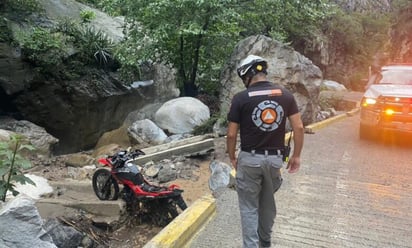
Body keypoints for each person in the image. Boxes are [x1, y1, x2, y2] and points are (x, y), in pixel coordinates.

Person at [226, 54, 304, 248]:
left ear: (247, 75)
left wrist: (233, 157)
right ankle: (265, 242)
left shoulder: (241, 98)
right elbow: (299, 127)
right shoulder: (285, 95)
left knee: (249, 207)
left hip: (249, 160)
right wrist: (296, 156)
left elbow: (230, 135)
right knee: (267, 203)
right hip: (275, 161)